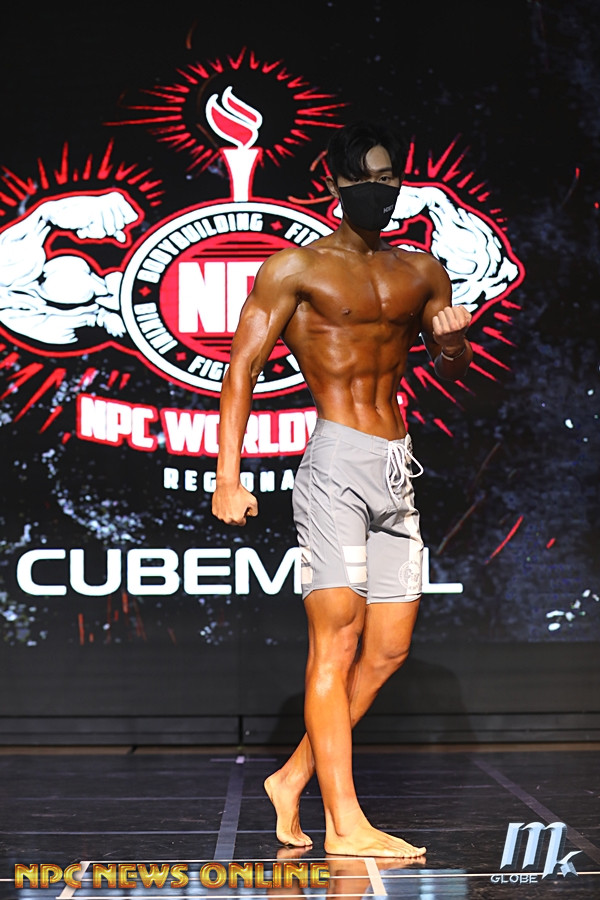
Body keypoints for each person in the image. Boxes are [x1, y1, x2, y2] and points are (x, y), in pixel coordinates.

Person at [212, 120, 472, 858]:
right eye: (364, 180)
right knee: (338, 640)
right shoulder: (296, 269)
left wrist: (453, 345)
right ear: (334, 185)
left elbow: (451, 366)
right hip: (336, 464)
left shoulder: (421, 271)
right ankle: (344, 823)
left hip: (397, 465)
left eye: (389, 179)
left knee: (387, 650)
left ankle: (291, 777)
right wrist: (228, 477)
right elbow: (241, 368)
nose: (378, 192)